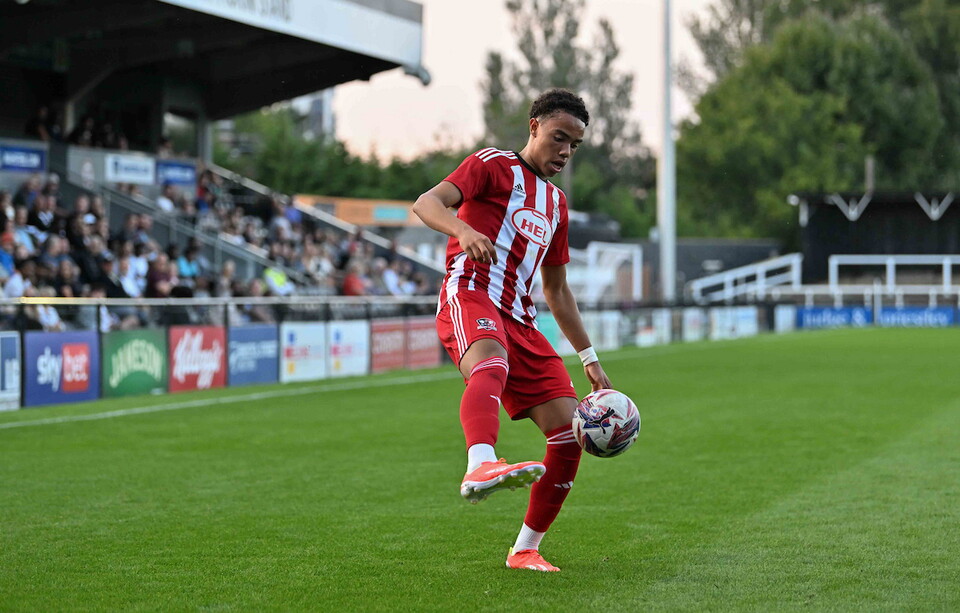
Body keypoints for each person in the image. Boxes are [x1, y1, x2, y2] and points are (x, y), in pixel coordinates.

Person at [412, 89, 612, 572]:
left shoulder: (557, 205)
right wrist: (461, 231)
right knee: (491, 362)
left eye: (575, 145)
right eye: (559, 138)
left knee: (570, 433)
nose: (564, 151)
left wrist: (589, 357)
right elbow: (426, 203)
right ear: (534, 127)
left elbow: (558, 290)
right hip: (471, 292)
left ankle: (525, 549)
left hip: (520, 317)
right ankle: (481, 460)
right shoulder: (491, 165)